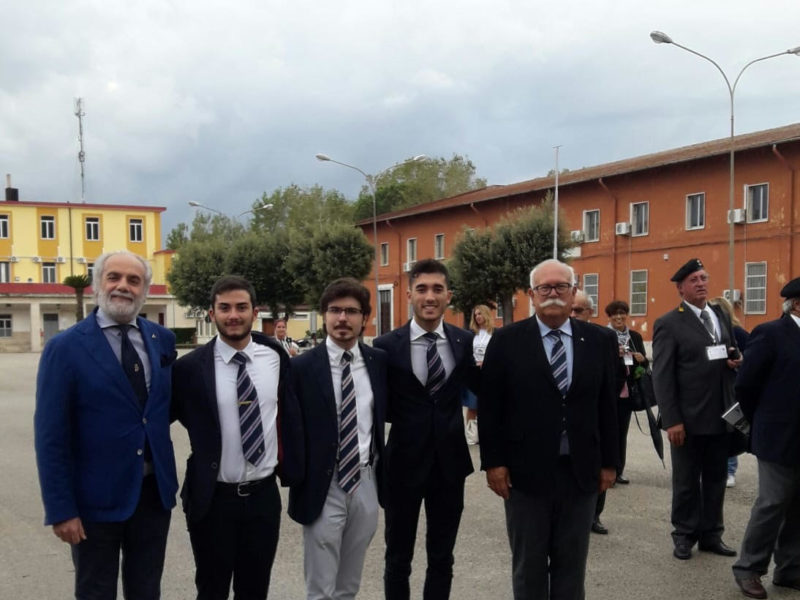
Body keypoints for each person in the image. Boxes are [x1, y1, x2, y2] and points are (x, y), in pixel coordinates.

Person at [34, 250, 179, 599]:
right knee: (95, 591)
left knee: (146, 590)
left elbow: (158, 410)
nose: (123, 286)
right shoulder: (65, 348)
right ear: (99, 283)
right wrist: (61, 509)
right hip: (93, 502)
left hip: (152, 496)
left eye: (133, 280)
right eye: (114, 277)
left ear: (144, 289)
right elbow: (51, 436)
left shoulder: (162, 340)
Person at [480, 259, 619, 599]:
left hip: (581, 472)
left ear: (574, 292)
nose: (553, 293)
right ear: (532, 294)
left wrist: (610, 462)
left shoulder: (600, 340)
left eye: (561, 286)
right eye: (545, 288)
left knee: (572, 565)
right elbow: (490, 408)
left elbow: (608, 406)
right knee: (529, 566)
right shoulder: (507, 340)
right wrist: (493, 463)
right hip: (525, 476)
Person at [172, 275, 303, 599]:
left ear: (254, 312)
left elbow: (290, 415)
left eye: (241, 307)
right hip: (213, 500)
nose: (234, 315)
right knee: (212, 589)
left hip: (262, 497)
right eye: (225, 307)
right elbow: (158, 420)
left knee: (255, 589)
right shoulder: (189, 369)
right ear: (211, 313)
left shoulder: (275, 356)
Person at [374, 258, 476, 600]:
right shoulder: (386, 347)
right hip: (401, 465)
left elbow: (482, 392)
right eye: (421, 289)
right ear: (409, 294)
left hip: (450, 466)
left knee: (442, 557)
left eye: (437, 289)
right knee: (397, 557)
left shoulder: (464, 342)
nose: (429, 296)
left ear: (449, 295)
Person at [288, 277, 388, 599]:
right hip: (323, 483)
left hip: (365, 480)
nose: (342, 318)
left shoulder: (378, 363)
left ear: (364, 318)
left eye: (351, 311)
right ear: (324, 315)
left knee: (349, 582)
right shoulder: (301, 367)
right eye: (334, 310)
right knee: (320, 585)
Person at [652, 258, 741, 561]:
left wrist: (733, 357)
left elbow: (726, 349)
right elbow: (662, 376)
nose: (701, 283)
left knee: (716, 478)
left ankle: (711, 534)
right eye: (694, 280)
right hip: (687, 420)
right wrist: (672, 420)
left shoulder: (718, 315)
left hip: (721, 414)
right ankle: (684, 535)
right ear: (681, 288)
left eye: (704, 278)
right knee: (687, 480)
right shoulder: (669, 323)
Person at [730, 278, 800, 599]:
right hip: (778, 436)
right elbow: (745, 384)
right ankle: (749, 568)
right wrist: (762, 420)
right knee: (772, 502)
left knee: (798, 506)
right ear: (796, 303)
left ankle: (789, 569)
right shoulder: (771, 333)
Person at [605, 299, 649, 486]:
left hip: (628, 392)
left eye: (622, 313)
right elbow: (599, 363)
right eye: (615, 314)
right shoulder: (604, 335)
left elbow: (644, 364)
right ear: (610, 317)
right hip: (609, 392)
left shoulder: (635, 337)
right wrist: (615, 355)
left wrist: (642, 359)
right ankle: (608, 468)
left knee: (622, 433)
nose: (619, 317)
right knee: (609, 432)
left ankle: (619, 471)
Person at [710, 295, 750, 489]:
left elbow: (752, 357)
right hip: (712, 391)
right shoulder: (709, 333)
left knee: (732, 429)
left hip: (733, 389)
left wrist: (740, 360)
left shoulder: (738, 332)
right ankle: (714, 468)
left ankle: (730, 470)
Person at [463, 304, 494, 445]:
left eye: (480, 314)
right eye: (475, 314)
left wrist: (486, 362)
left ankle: (487, 433)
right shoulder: (471, 334)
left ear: (486, 315)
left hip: (489, 373)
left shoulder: (494, 333)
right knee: (472, 405)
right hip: (473, 373)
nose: (477, 317)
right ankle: (471, 435)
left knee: (489, 404)